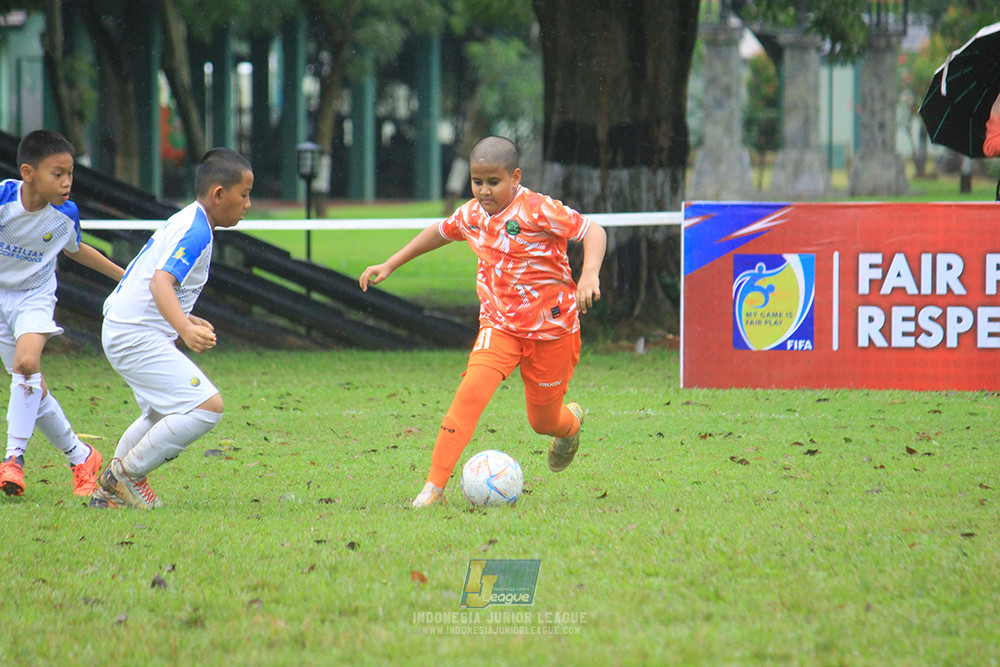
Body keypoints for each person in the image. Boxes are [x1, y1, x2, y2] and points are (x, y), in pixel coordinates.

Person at [360, 136, 607, 508]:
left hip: (552, 329)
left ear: (515, 177)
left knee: (542, 421)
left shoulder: (539, 209)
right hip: (500, 325)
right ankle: (433, 489)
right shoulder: (471, 214)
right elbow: (438, 233)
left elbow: (593, 232)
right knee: (471, 391)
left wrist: (589, 276)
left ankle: (570, 425)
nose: (484, 190)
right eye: (477, 182)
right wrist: (390, 263)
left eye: (493, 182)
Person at [91, 148, 253, 509]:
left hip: (124, 327)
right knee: (207, 407)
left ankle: (107, 492)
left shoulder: (188, 221)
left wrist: (186, 317)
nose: (248, 204)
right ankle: (126, 477)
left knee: (161, 413)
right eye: (244, 195)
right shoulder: (196, 231)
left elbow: (151, 279)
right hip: (135, 334)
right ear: (218, 195)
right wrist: (184, 327)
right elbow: (160, 283)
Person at [0, 130, 124, 498]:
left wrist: (125, 276)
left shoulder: (65, 213)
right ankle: (81, 455)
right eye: (58, 174)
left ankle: (13, 460)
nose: (67, 182)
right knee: (32, 390)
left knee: (26, 365)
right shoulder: (4, 199)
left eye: (70, 173)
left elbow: (75, 249)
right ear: (28, 172)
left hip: (35, 297)